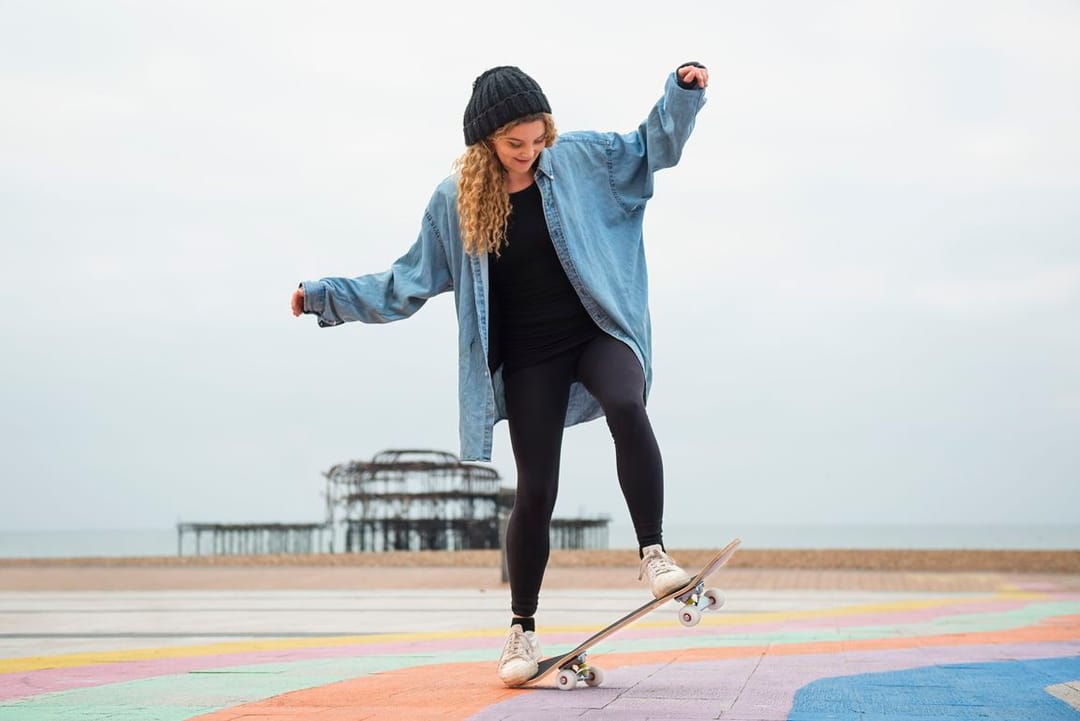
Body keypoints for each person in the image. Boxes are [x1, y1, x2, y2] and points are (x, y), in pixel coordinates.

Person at [291, 61, 710, 686]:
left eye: (538, 139)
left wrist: (681, 93)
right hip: (530, 359)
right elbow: (404, 284)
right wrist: (325, 297)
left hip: (598, 330)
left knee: (628, 403)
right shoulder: (454, 203)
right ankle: (521, 629)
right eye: (515, 143)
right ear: (485, 139)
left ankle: (653, 552)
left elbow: (653, 147)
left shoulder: (579, 159)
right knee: (537, 490)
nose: (529, 152)